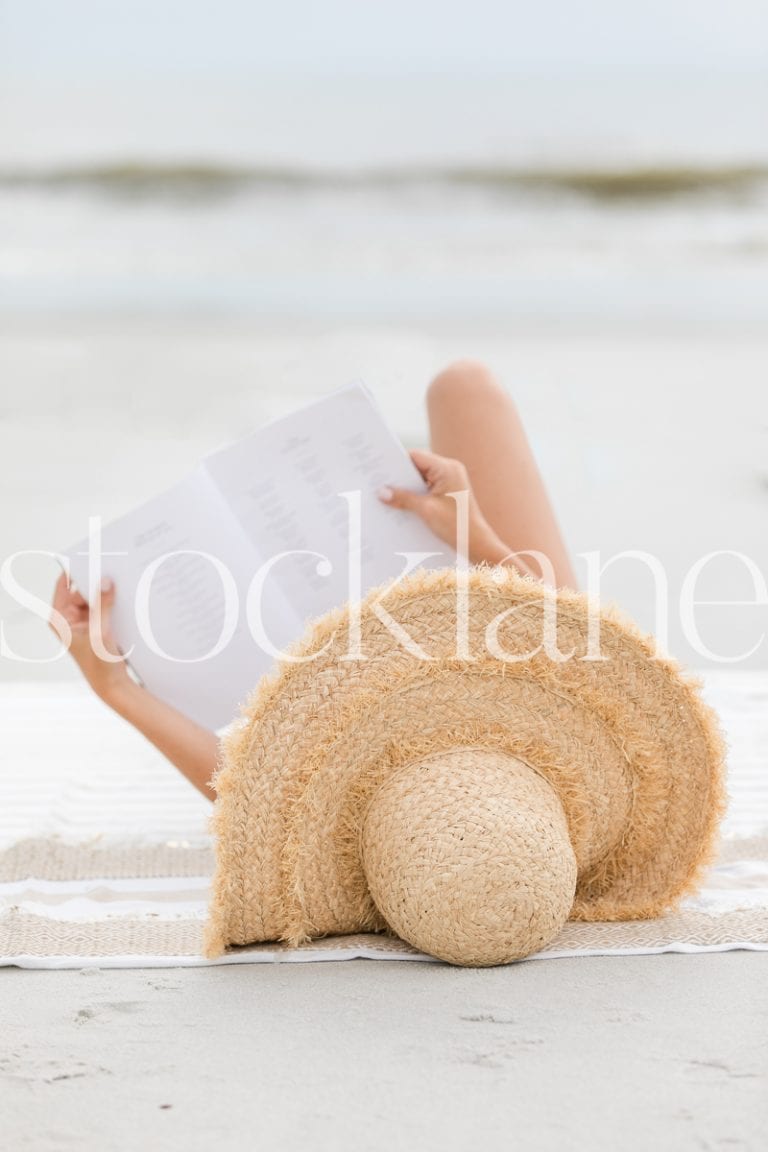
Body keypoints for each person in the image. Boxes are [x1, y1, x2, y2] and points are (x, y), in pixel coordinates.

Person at [48, 361, 577, 803]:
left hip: (449, 728)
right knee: (464, 387)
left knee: (464, 386)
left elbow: (258, 798)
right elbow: (580, 655)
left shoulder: (359, 818)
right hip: (513, 715)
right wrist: (476, 537)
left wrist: (113, 685)